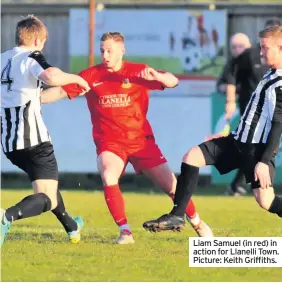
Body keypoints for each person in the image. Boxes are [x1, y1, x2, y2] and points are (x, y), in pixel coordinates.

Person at [40, 31, 213, 244]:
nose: (105, 55)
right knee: (108, 174)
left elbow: (173, 81)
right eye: (102, 50)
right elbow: (58, 92)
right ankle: (125, 232)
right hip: (110, 143)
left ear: (122, 50)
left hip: (141, 142)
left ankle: (198, 223)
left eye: (109, 51)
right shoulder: (91, 76)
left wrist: (159, 77)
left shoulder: (138, 72)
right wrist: (33, 99)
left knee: (172, 187)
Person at [143, 25, 282, 232]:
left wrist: (263, 161)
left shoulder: (280, 83)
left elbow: (278, 124)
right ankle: (177, 215)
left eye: (265, 48)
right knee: (191, 157)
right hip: (237, 140)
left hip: (255, 151)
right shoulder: (270, 75)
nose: (261, 53)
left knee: (265, 200)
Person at [0, 15, 90, 247]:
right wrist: (76, 77)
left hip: (11, 145)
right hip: (35, 141)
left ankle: (72, 226)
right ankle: (6, 217)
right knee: (47, 197)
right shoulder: (32, 56)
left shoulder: (2, 60)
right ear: (38, 40)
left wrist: (63, 92)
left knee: (46, 185)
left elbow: (36, 97)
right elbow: (50, 76)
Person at [213, 33, 252, 196]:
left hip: (264, 112)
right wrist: (234, 92)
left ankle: (238, 185)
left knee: (253, 148)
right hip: (245, 114)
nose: (238, 50)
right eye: (234, 47)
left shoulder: (258, 62)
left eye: (241, 46)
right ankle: (238, 185)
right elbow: (221, 86)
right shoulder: (231, 66)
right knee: (250, 148)